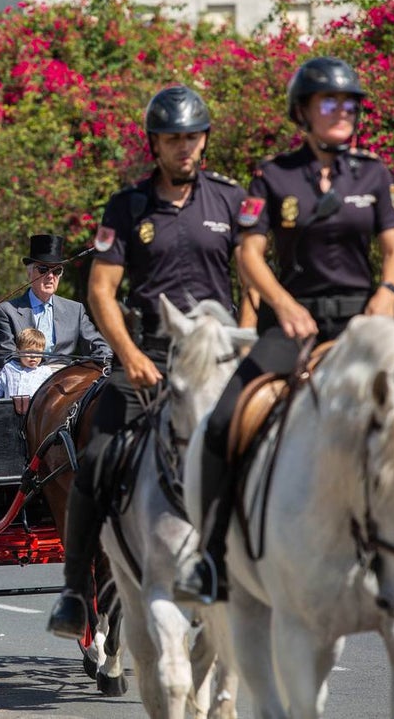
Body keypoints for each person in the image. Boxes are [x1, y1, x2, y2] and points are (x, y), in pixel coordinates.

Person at [172, 56, 394, 604]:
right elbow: (250, 254)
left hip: (365, 322)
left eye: (350, 104)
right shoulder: (273, 175)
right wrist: (281, 302)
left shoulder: (373, 173)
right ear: (303, 111)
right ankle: (210, 557)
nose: (343, 112)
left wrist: (386, 295)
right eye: (331, 102)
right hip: (295, 322)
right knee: (224, 420)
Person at [47, 85, 249, 638]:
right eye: (172, 139)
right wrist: (130, 354)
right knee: (98, 456)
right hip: (151, 358)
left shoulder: (231, 201)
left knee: (271, 442)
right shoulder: (127, 206)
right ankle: (73, 592)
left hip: (216, 356)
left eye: (192, 137)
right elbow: (102, 291)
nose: (184, 147)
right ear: (154, 145)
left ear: (204, 141)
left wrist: (246, 341)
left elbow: (253, 277)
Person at [0, 234, 111, 365]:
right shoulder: (7, 311)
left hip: (65, 379)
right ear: (29, 273)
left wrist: (109, 359)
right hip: (26, 377)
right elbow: (6, 358)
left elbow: (98, 346)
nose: (50, 276)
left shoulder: (75, 309)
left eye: (56, 271)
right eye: (43, 269)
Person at [0, 327, 54, 399]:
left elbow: (52, 396)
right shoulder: (9, 369)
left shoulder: (45, 372)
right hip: (10, 409)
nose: (33, 356)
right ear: (18, 351)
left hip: (35, 409)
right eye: (29, 352)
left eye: (38, 352)